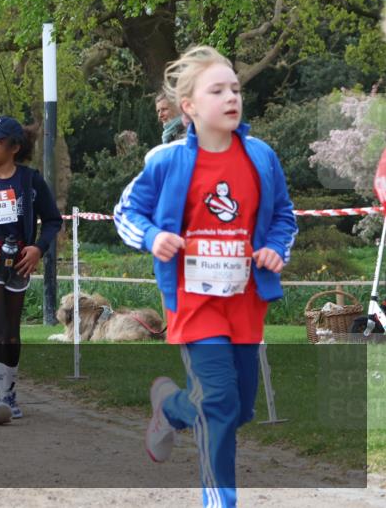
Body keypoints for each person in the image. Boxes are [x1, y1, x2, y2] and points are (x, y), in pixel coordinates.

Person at [114, 45, 297, 508]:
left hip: (243, 301)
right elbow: (125, 211)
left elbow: (283, 218)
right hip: (194, 303)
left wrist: (275, 249)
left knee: (239, 408)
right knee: (218, 402)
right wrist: (153, 236)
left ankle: (170, 408)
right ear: (190, 107)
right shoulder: (167, 160)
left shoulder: (260, 157)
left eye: (235, 88)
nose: (232, 96)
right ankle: (220, 501)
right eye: (217, 90)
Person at [0, 116, 62, 424]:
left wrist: (38, 248)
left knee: (12, 334)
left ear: (15, 147)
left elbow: (53, 220)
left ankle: (11, 392)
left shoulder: (30, 181)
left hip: (18, 266)